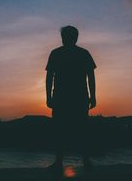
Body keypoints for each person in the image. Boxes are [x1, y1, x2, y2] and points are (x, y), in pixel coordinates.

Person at [45, 25, 97, 172]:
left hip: (64, 98)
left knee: (61, 130)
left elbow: (49, 78)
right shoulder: (83, 53)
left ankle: (60, 162)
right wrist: (93, 96)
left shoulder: (56, 53)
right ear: (76, 37)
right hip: (77, 98)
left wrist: (48, 96)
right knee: (80, 130)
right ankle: (85, 161)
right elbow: (91, 78)